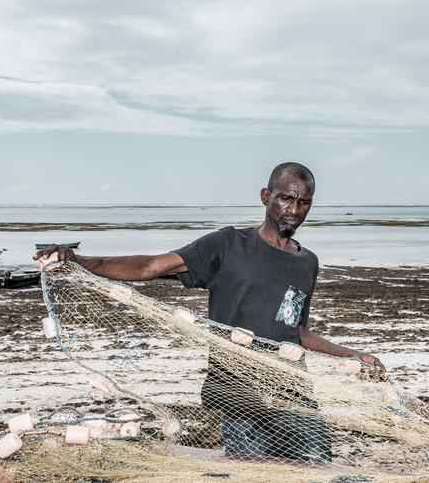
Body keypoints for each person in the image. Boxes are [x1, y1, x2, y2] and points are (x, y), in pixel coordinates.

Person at [35, 162, 383, 461]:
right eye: (285, 198)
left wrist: (353, 355)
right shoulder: (228, 245)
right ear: (266, 197)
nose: (293, 209)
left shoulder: (307, 262)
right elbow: (150, 266)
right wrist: (82, 261)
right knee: (253, 476)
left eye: (303, 202)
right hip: (237, 393)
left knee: (317, 464)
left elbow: (298, 332)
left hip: (292, 393)